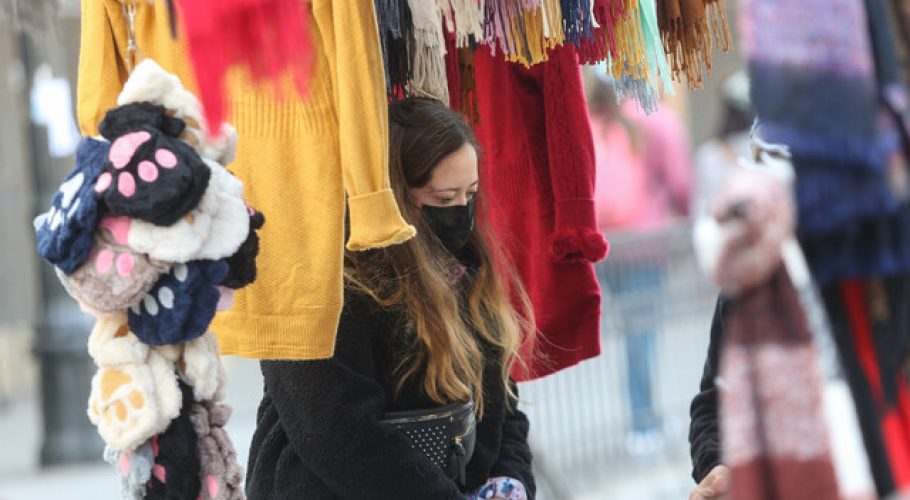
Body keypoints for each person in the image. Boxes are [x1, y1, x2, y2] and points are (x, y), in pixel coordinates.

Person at [245, 97, 535, 499]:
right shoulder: (322, 288)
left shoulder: (466, 274)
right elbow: (338, 435)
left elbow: (502, 406)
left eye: (470, 194)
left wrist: (512, 480)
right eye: (444, 199)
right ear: (396, 198)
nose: (461, 213)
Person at [587, 74, 692, 454]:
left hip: (603, 247)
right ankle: (643, 423)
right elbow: (682, 185)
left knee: (625, 334)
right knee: (641, 335)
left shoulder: (588, 122)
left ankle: (641, 419)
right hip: (645, 246)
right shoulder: (657, 119)